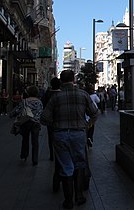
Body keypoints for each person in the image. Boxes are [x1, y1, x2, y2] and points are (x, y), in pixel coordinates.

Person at [40, 70, 98, 209]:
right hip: (79, 134)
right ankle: (78, 195)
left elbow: (44, 118)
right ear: (73, 80)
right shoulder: (83, 94)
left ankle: (68, 201)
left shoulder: (56, 97)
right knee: (79, 164)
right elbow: (95, 113)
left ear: (61, 81)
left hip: (60, 135)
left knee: (66, 166)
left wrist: (55, 125)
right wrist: (87, 125)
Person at [10, 85, 43, 166]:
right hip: (36, 123)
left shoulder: (25, 101)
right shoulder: (39, 102)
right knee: (35, 141)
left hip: (26, 122)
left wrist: (11, 114)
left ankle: (24, 154)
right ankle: (35, 159)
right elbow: (41, 112)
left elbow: (18, 110)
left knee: (25, 139)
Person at [41, 77, 61, 161]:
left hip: (50, 120)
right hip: (60, 119)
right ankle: (58, 154)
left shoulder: (47, 94)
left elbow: (43, 105)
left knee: (50, 137)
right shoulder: (62, 94)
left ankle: (51, 154)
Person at [85, 83, 100, 148]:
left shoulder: (85, 95)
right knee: (91, 125)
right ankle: (90, 137)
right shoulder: (94, 95)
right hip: (92, 113)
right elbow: (98, 101)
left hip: (85, 114)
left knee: (86, 127)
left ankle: (87, 137)